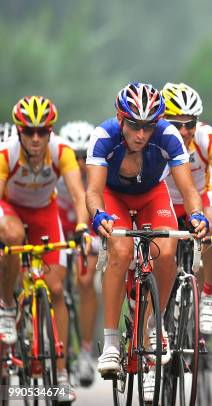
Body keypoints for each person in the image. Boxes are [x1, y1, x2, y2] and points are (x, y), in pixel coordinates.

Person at [87, 82, 207, 402]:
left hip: (152, 195)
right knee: (121, 250)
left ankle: (154, 324)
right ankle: (112, 342)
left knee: (167, 250)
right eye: (135, 126)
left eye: (148, 127)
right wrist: (98, 215)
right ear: (120, 119)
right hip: (114, 198)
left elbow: (189, 188)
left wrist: (196, 215)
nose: (141, 135)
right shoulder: (103, 137)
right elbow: (93, 192)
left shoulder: (168, 137)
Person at [0, 96, 90, 402]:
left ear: (50, 131)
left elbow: (78, 195)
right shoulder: (6, 154)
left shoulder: (61, 152)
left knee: (55, 289)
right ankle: (9, 307)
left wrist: (80, 226)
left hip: (44, 216)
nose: (36, 138)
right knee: (10, 234)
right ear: (19, 131)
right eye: (29, 132)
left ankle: (62, 375)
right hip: (10, 210)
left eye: (42, 131)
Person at [162, 82, 212, 335]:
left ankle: (209, 295)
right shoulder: (154, 139)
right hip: (164, 201)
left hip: (201, 197)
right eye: (177, 124)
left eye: (191, 123)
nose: (185, 131)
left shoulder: (208, 138)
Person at [57, 121, 100, 387]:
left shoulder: (98, 174)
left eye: (86, 155)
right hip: (61, 227)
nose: (82, 162)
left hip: (87, 230)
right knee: (55, 285)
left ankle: (85, 350)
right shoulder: (56, 171)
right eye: (75, 156)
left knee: (85, 281)